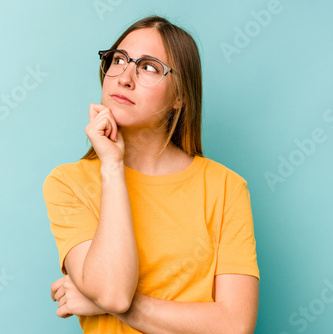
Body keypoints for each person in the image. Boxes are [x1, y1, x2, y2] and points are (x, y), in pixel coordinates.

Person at [43, 15, 260, 333]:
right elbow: (114, 294)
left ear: (179, 98)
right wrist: (113, 167)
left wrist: (108, 303)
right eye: (119, 60)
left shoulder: (225, 187)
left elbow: (235, 326)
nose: (124, 77)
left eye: (148, 67)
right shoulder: (68, 183)